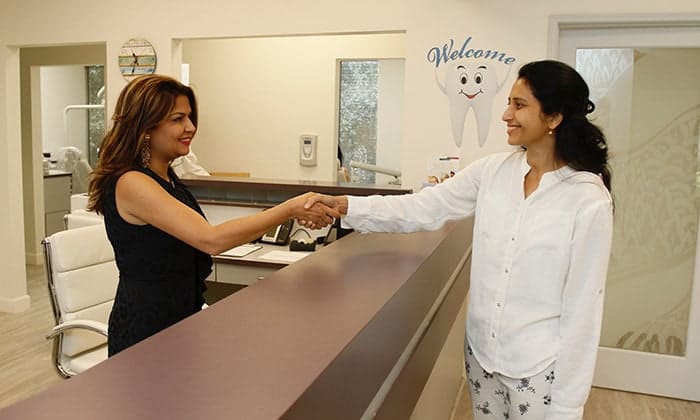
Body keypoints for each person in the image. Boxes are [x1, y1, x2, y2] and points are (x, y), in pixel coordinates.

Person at [303, 60, 613, 420]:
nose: (505, 114)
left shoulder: (587, 200)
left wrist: (566, 408)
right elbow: (422, 207)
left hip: (539, 370)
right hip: (482, 358)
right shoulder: (493, 172)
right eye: (508, 102)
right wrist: (345, 206)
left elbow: (583, 314)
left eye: (519, 105)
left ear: (554, 118)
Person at [87, 74, 336, 356]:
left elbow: (197, 233)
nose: (190, 127)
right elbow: (210, 239)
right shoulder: (132, 183)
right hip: (146, 330)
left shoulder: (167, 177)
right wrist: (289, 208)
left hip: (178, 320)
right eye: (177, 119)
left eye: (190, 118)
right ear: (146, 126)